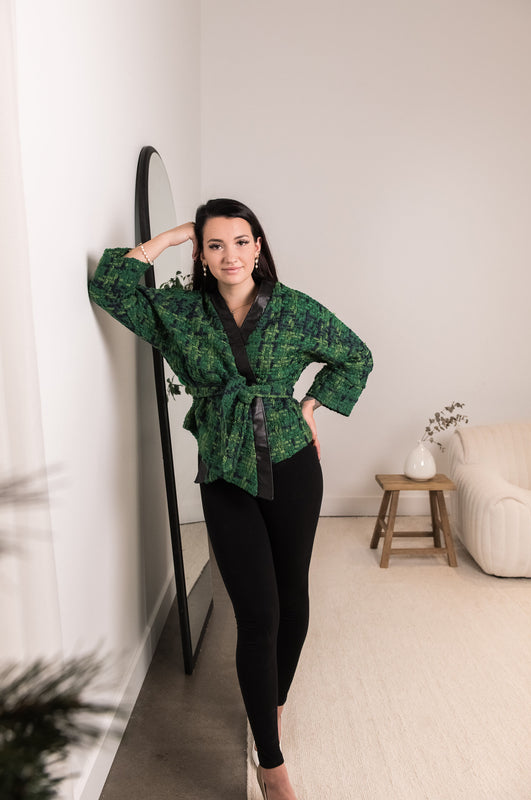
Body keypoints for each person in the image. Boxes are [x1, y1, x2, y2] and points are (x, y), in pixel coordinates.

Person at [89, 198, 372, 800]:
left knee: (293, 599)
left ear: (258, 246)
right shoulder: (180, 311)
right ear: (201, 253)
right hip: (225, 470)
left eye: (241, 242)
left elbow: (357, 355)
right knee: (259, 614)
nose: (230, 256)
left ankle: (273, 703)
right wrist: (169, 237)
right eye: (214, 245)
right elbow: (110, 286)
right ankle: (271, 762)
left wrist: (311, 405)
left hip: (293, 463)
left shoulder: (294, 308)